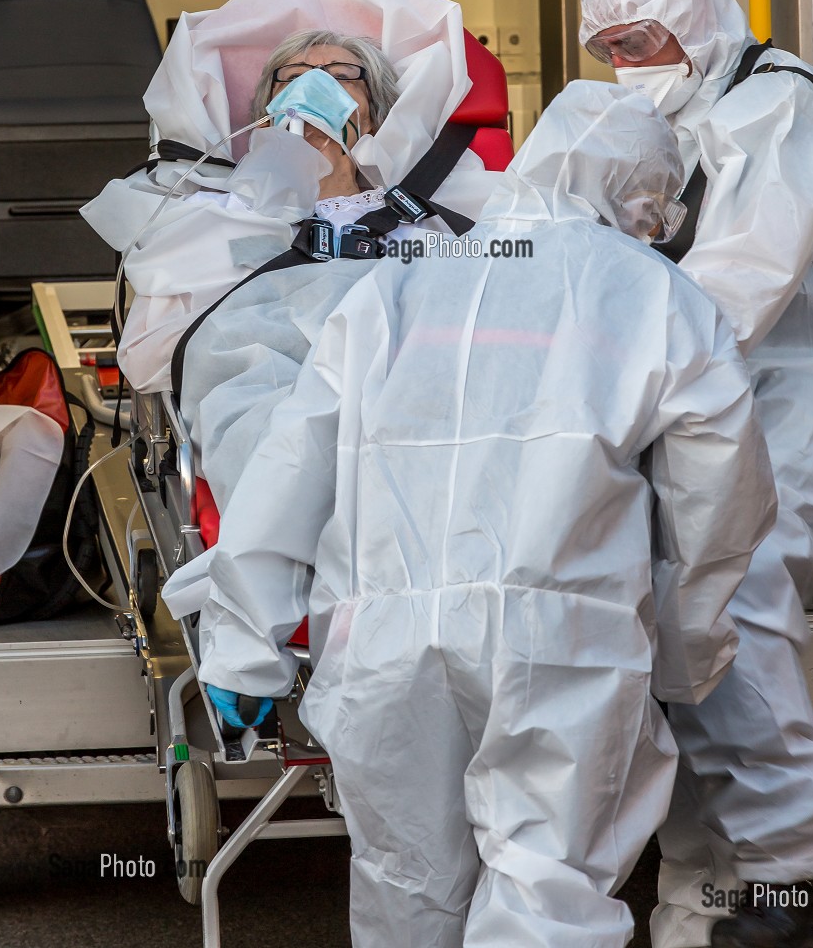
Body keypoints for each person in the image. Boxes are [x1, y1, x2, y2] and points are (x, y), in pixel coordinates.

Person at [178, 82, 777, 948]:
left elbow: (292, 465)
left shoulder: (403, 279)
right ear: (641, 200)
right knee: (546, 892)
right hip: (561, 640)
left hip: (379, 638)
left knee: (405, 889)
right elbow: (717, 506)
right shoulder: (657, 296)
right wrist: (684, 655)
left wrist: (243, 637)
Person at [579, 0, 813, 948]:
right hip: (708, 405)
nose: (631, 67)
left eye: (644, 41)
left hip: (803, 399)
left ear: (691, 15)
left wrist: (596, 366)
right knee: (674, 636)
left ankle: (791, 852)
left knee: (740, 591)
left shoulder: (779, 101)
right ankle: (700, 895)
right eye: (612, 50)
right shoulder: (669, 115)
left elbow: (740, 282)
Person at [82, 0, 501, 396]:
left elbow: (486, 321)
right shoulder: (213, 219)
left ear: (376, 115)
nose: (313, 90)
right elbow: (154, 358)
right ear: (265, 115)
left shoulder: (426, 218)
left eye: (341, 78)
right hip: (274, 404)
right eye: (293, 78)